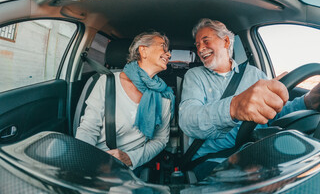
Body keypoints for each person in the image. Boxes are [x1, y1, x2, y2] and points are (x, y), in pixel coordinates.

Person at [179, 18, 320, 181]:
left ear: (225, 41)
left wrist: (308, 101)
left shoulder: (254, 74)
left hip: (256, 150)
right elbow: (188, 119)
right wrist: (233, 108)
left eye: (205, 41)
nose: (200, 49)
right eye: (197, 45)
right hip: (213, 160)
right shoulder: (195, 76)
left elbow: (276, 112)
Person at [76, 31, 175, 172]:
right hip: (96, 160)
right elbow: (88, 129)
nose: (169, 54)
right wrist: (85, 162)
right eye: (163, 47)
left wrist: (131, 158)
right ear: (143, 51)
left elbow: (160, 140)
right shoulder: (107, 82)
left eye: (168, 51)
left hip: (132, 167)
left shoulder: (165, 96)